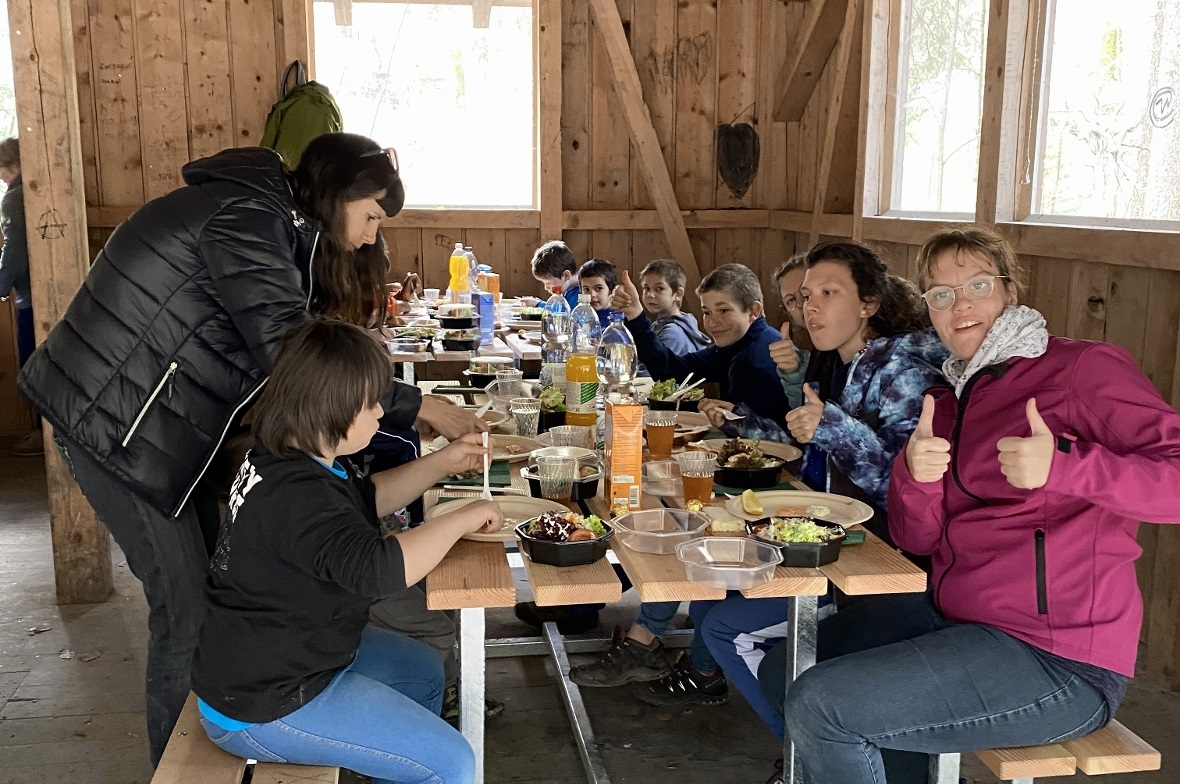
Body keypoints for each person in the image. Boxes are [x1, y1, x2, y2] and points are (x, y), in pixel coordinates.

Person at [16, 132, 485, 765]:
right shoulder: (247, 219)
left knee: (220, 589)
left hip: (154, 421)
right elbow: (293, 353)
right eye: (371, 215)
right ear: (338, 195)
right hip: (114, 426)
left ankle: (273, 708)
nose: (373, 234)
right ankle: (180, 763)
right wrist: (418, 406)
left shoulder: (269, 218)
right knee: (184, 609)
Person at [760, 226, 1180, 784]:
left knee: (822, 703)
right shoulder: (950, 397)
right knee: (781, 669)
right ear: (927, 307)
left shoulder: (1079, 370)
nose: (959, 305)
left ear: (1009, 289)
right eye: (940, 293)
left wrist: (1066, 469)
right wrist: (919, 474)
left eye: (977, 285)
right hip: (956, 618)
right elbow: (918, 538)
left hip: (1058, 657)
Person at [192, 318, 502, 784]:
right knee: (452, 764)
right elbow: (377, 570)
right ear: (330, 407)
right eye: (369, 403)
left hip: (293, 654)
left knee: (421, 671)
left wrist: (443, 462)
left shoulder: (289, 457)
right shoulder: (297, 496)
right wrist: (462, 517)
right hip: (267, 698)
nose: (381, 413)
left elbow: (365, 499)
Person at [687, 240, 946, 743]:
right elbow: (810, 447)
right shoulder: (836, 364)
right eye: (806, 296)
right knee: (703, 604)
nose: (811, 306)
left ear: (869, 303)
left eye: (829, 292)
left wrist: (831, 426)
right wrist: (739, 425)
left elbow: (904, 484)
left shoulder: (903, 371)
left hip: (883, 564)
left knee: (724, 627)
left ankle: (809, 756)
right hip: (827, 541)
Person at [612, 264, 791, 425]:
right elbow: (671, 370)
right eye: (707, 312)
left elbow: (756, 441)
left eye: (723, 310)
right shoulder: (737, 344)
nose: (712, 322)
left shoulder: (752, 361)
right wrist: (635, 313)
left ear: (753, 311)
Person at [0, 137, 39, 456]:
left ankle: (42, 433)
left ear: (10, 166)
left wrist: (0, 285)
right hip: (45, 294)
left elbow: (13, 250)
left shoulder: (14, 199)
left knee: (31, 367)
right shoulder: (37, 191)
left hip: (30, 298)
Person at [767, 253, 810, 409]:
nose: (800, 305)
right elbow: (803, 426)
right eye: (791, 300)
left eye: (805, 294)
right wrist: (794, 373)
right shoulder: (820, 358)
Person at [639, 258, 710, 353]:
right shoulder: (658, 324)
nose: (650, 295)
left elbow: (657, 367)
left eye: (659, 288)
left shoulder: (672, 333)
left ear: (678, 294)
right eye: (646, 288)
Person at [530, 239, 581, 309]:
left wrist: (539, 304)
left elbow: (563, 314)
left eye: (549, 283)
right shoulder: (566, 289)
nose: (546, 287)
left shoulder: (580, 293)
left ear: (566, 275)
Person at [578, 258, 624, 326]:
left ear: (611, 290)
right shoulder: (581, 316)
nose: (592, 295)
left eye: (598, 288)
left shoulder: (619, 320)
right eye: (586, 289)